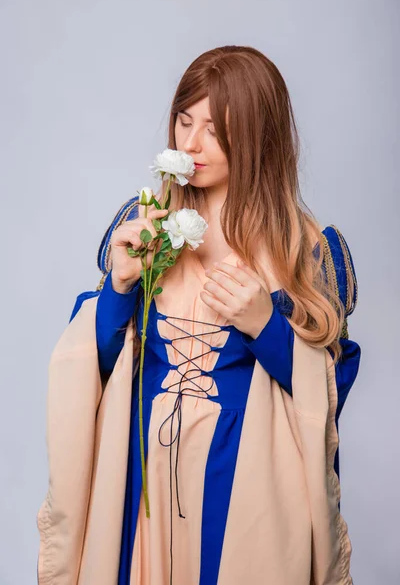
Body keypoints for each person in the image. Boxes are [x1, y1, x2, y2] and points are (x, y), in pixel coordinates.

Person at [38, 45, 361, 585]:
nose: (190, 144)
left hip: (244, 488)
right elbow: (97, 365)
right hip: (140, 488)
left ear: (258, 136)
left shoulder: (304, 250)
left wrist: (266, 328)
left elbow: (329, 393)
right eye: (184, 121)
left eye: (215, 129)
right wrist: (119, 287)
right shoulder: (147, 222)